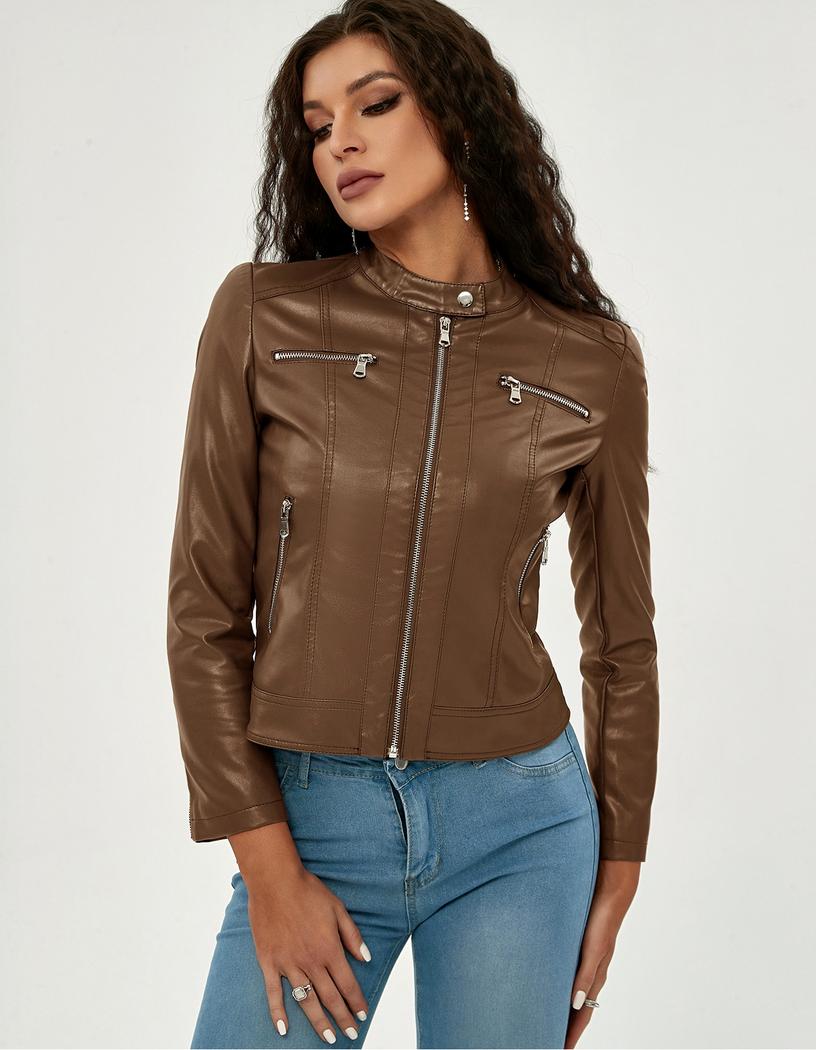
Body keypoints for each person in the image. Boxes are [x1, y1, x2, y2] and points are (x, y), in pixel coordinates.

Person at [165, 1, 660, 1047]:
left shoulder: (592, 359)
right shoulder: (263, 316)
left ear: (460, 115)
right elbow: (203, 616)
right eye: (316, 126)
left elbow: (622, 640)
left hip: (522, 828)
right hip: (314, 819)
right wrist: (270, 870)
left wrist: (618, 871)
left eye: (375, 104)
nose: (338, 141)